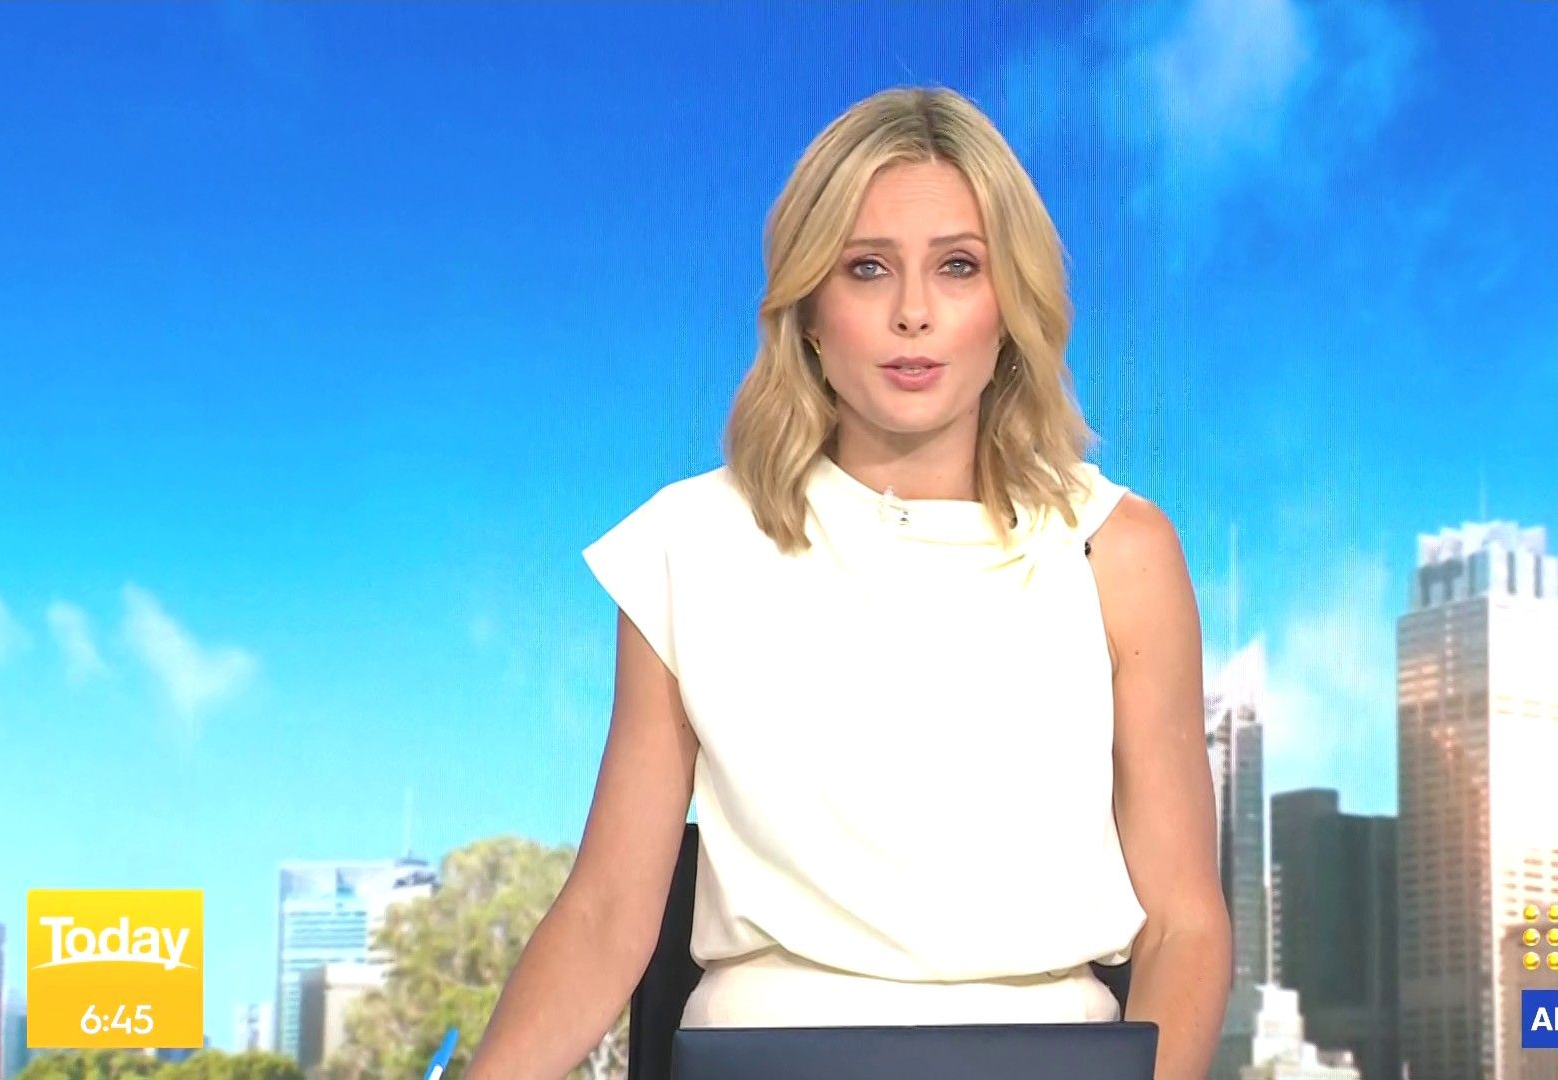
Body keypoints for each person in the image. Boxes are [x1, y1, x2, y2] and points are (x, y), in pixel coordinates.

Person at [468, 85, 1231, 1080]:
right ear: (810, 311)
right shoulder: (689, 544)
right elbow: (608, 914)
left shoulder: (1118, 552)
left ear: (1010, 307)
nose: (913, 312)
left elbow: (1183, 925)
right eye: (867, 268)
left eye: (958, 266)